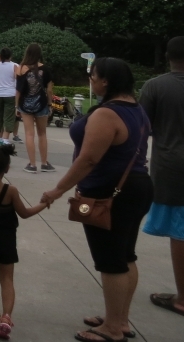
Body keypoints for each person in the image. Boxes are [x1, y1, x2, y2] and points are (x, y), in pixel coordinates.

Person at [41, 58, 153, 342]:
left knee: (110, 260)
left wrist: (58, 189)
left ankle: (113, 329)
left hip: (110, 192)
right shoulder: (136, 109)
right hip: (135, 187)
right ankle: (120, 319)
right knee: (125, 255)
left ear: (106, 81)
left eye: (93, 76)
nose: (90, 80)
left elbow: (90, 158)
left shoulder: (107, 114)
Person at [0, 142, 48, 339]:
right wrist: (43, 204)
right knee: (7, 279)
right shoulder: (10, 191)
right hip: (6, 240)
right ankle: (6, 317)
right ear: (7, 168)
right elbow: (25, 213)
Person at [140, 35, 184, 318]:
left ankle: (182, 298)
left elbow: (141, 129)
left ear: (167, 56)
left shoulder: (155, 86)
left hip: (172, 167)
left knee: (180, 232)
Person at [15, 44, 55, 173]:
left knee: (29, 134)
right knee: (42, 134)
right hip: (41, 104)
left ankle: (32, 164)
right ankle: (44, 163)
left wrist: (17, 106)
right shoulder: (45, 69)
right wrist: (50, 104)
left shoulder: (20, 69)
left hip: (25, 104)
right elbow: (49, 90)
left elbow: (18, 91)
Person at [0, 48, 18, 141]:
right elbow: (18, 80)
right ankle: (5, 139)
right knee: (9, 117)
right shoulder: (15, 66)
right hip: (10, 94)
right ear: (10, 56)